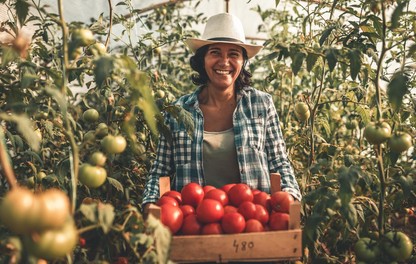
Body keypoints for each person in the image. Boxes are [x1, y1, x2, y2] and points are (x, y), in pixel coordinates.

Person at [142, 13, 301, 214]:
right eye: (215, 52)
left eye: (234, 54)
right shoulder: (178, 112)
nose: (224, 62)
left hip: (254, 222)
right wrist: (150, 205)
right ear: (202, 60)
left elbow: (280, 163)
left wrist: (289, 197)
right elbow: (160, 171)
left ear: (243, 61)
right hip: (195, 225)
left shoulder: (261, 104)